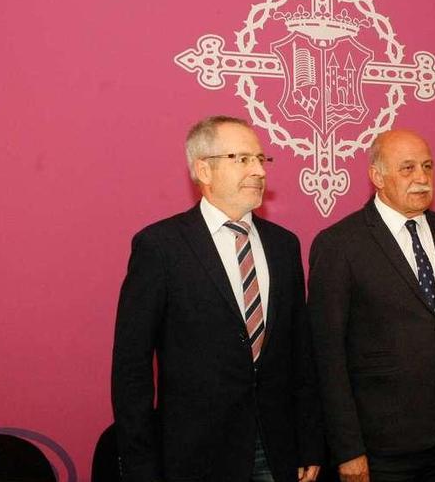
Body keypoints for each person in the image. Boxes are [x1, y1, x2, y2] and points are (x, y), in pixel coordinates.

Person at [111, 116, 322, 482]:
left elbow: (299, 353)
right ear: (203, 169)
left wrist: (310, 441)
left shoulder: (283, 245)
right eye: (241, 159)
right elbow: (132, 370)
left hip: (277, 451)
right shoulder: (160, 247)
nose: (258, 170)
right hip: (196, 456)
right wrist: (141, 468)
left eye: (261, 159)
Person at [307, 129, 435, 482]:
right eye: (407, 168)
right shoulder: (339, 244)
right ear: (377, 176)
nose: (421, 177)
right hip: (380, 451)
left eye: (427, 166)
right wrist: (347, 449)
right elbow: (327, 358)